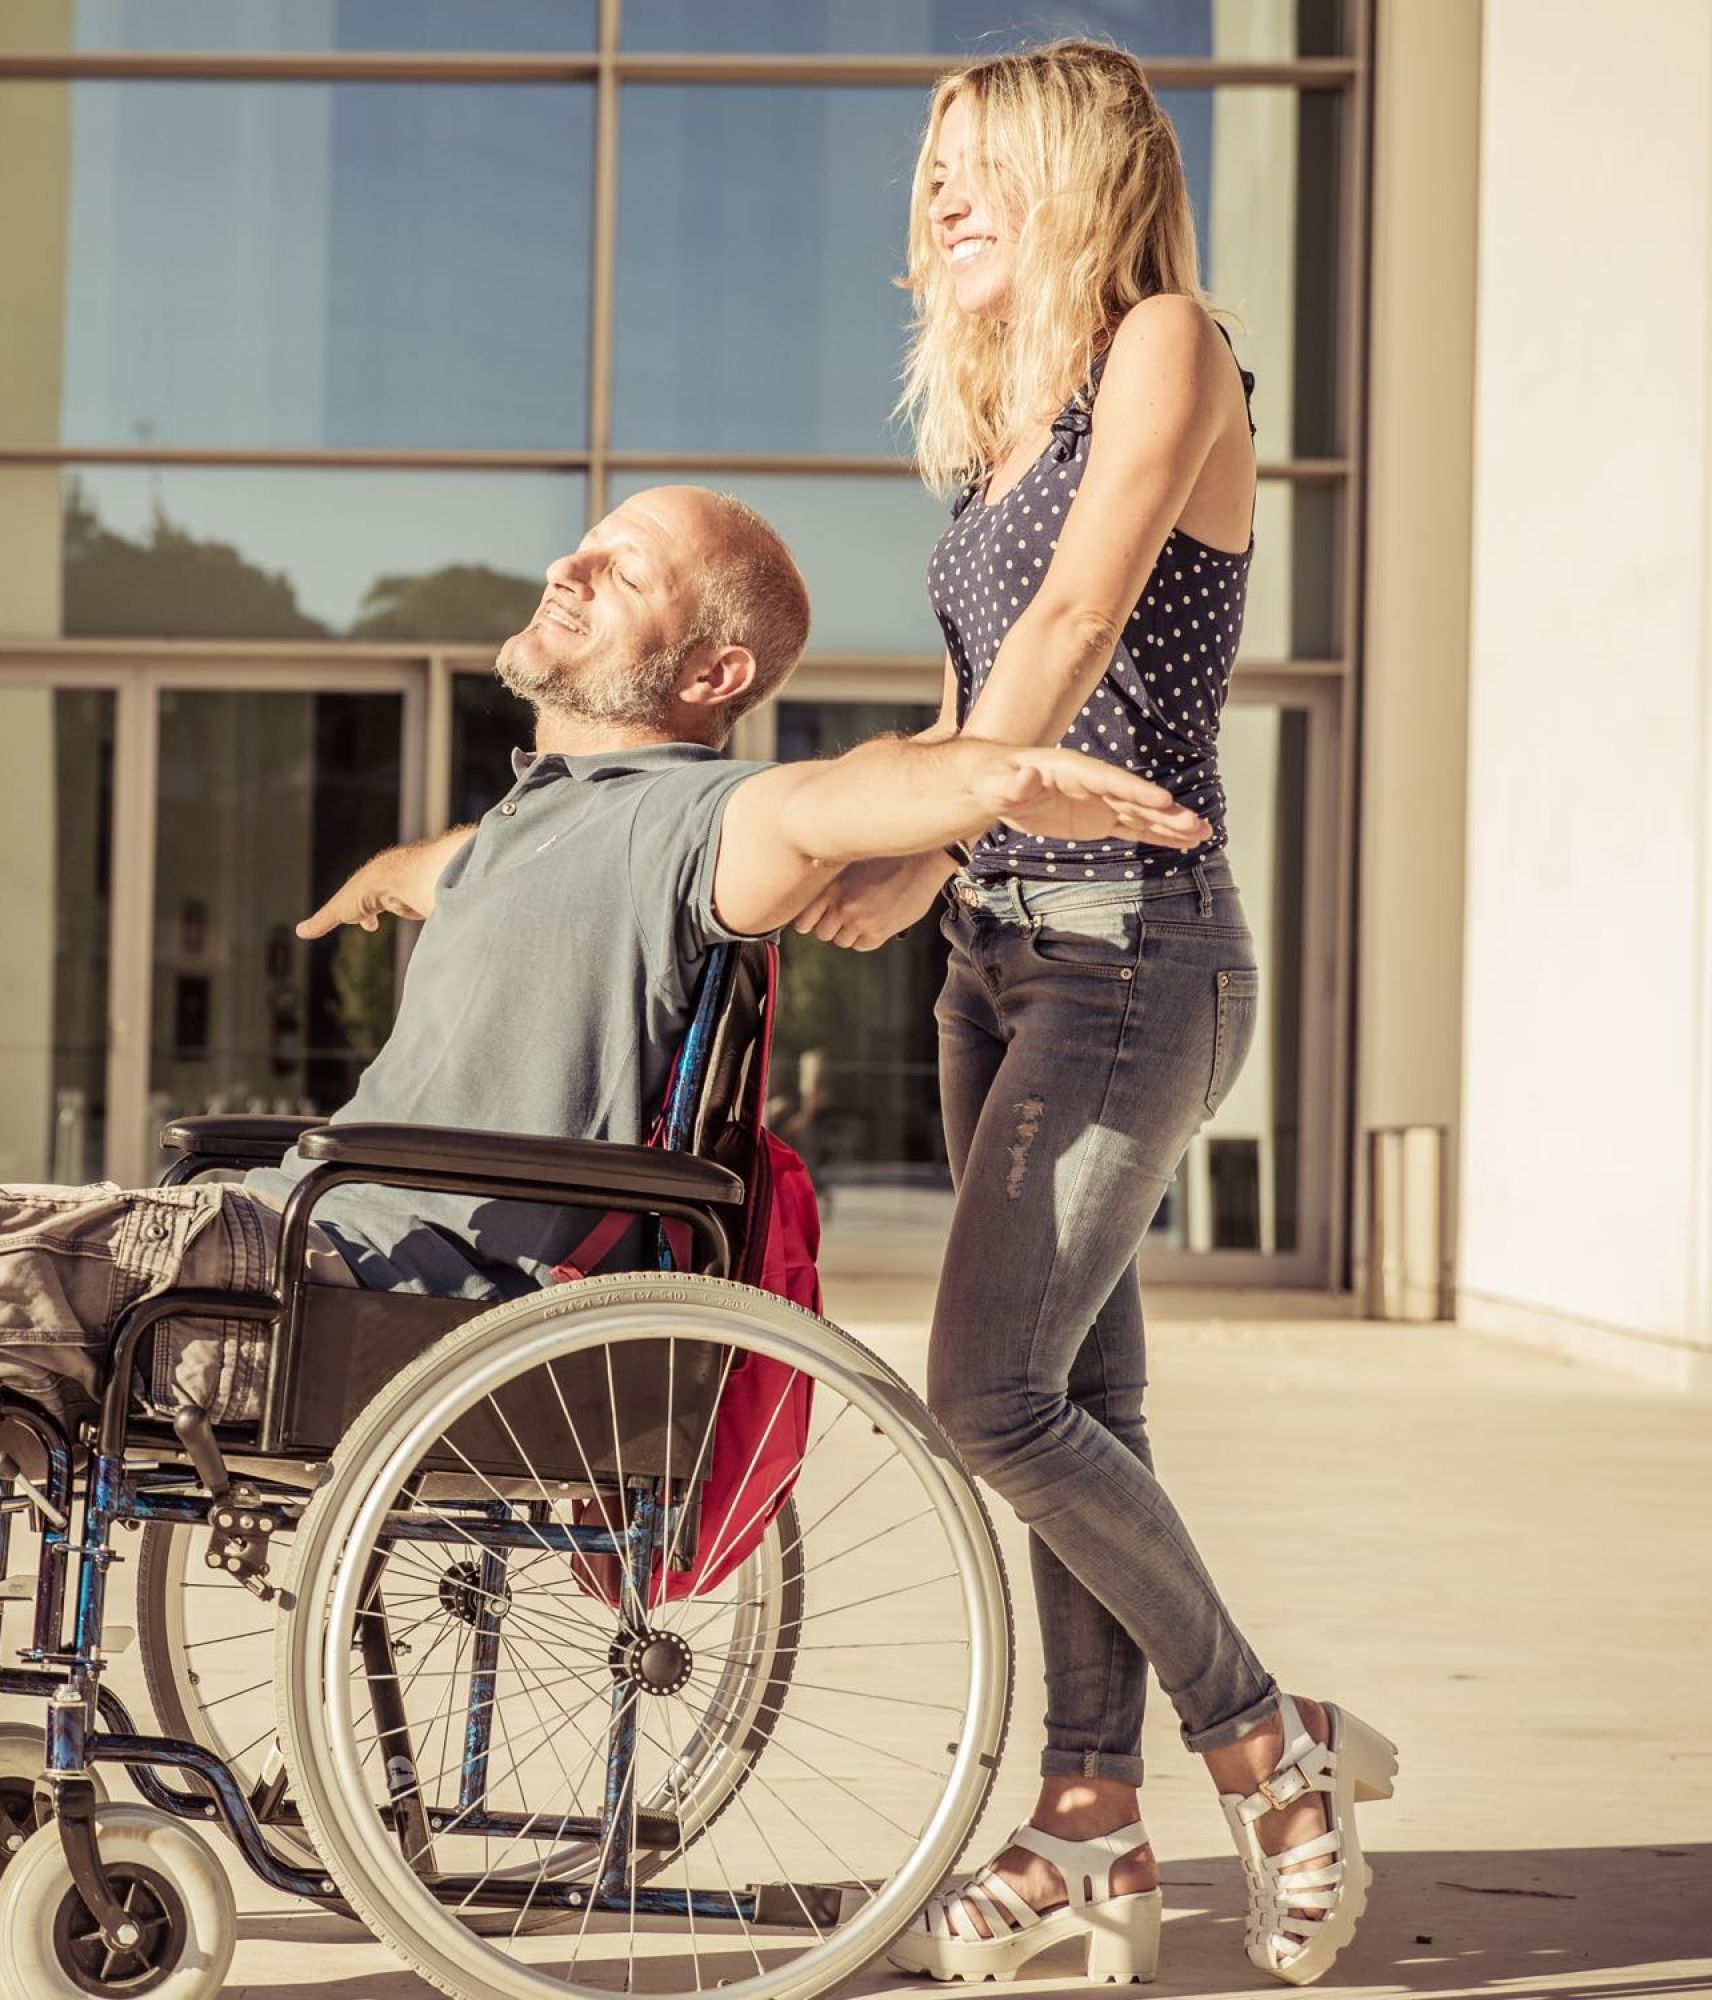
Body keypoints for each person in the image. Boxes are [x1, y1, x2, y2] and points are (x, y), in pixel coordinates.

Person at [0, 485, 1207, 1899]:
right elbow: (451, 869)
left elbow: (849, 800)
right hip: (327, 1261)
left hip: (390, 1304)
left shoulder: (694, 818)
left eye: (627, 571)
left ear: (713, 673)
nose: (575, 573)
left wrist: (1004, 778)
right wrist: (381, 877)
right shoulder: (531, 826)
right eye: (581, 548)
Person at [778, 39, 1392, 1989]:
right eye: (927, 167)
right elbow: (996, 701)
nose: (938, 195)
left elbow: (1063, 637)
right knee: (1081, 1405)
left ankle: (1265, 1746)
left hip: (1134, 954)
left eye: (978, 160)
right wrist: (928, 855)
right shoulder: (1006, 427)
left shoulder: (1172, 342)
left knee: (992, 1395)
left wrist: (928, 809)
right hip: (1007, 963)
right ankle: (1090, 1811)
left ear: (1085, 168)